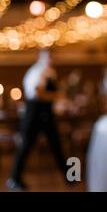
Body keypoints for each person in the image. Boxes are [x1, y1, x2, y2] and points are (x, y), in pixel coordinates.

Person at [6, 49, 68, 191]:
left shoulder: (49, 71)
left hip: (45, 114)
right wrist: (57, 96)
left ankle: (70, 177)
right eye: (48, 56)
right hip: (34, 113)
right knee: (25, 146)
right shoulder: (38, 72)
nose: (50, 58)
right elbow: (38, 93)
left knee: (56, 146)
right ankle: (14, 179)